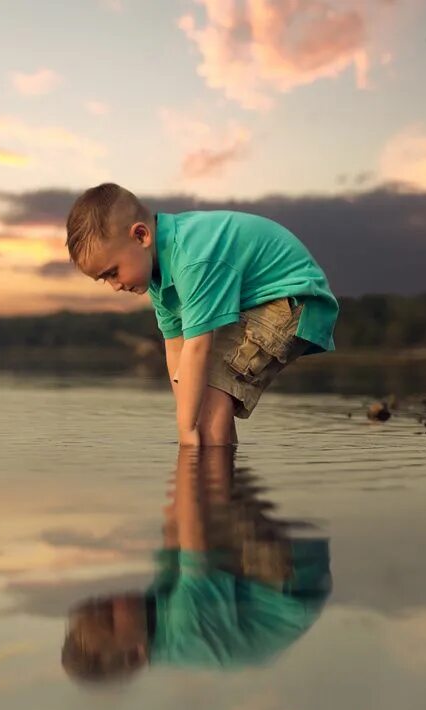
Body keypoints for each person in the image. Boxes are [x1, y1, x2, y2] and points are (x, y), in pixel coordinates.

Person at [65, 183, 339, 446]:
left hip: (292, 297)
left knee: (210, 387)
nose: (115, 286)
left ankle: (211, 479)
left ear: (141, 236)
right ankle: (219, 479)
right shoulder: (159, 279)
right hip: (259, 303)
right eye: (104, 279)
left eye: (113, 272)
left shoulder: (192, 259)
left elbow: (197, 349)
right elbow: (176, 349)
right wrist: (186, 420)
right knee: (201, 401)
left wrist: (187, 430)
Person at [61, 447, 331, 682]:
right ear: (136, 654)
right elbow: (195, 539)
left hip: (253, 583)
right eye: (110, 616)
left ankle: (219, 416)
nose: (112, 599)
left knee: (209, 474)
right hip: (292, 585)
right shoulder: (185, 632)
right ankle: (223, 413)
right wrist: (195, 462)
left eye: (99, 601)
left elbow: (173, 533)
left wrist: (187, 454)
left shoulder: (149, 619)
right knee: (213, 507)